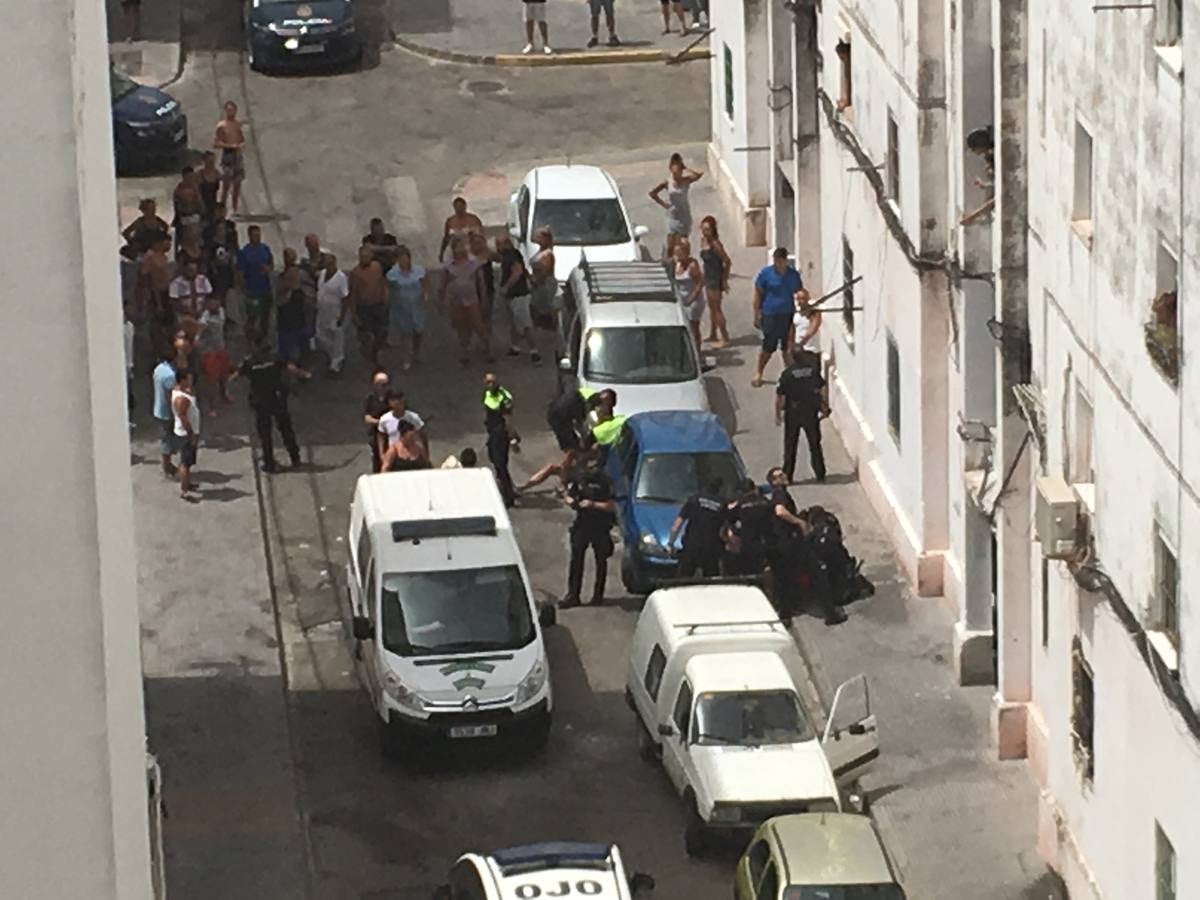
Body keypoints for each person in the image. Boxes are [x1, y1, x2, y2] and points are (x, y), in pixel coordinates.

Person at [230, 333, 311, 473]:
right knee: (286, 428)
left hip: (260, 400)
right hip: (277, 396)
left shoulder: (249, 361)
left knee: (265, 434)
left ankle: (269, 463)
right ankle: (295, 458)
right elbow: (291, 368)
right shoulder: (275, 357)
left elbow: (235, 375)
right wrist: (304, 374)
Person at [561, 450, 617, 608]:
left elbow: (612, 506)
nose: (590, 468)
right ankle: (573, 595)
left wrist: (593, 504)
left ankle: (598, 596)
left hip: (600, 526)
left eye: (593, 465)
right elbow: (569, 494)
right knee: (576, 560)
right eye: (588, 465)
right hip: (582, 524)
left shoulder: (606, 481)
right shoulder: (580, 478)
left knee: (601, 561)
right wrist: (570, 500)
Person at [521, 386, 600, 493]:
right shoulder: (580, 458)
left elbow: (565, 465)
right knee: (556, 466)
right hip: (575, 468)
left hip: (557, 415)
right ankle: (524, 487)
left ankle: (523, 487)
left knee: (556, 466)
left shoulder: (582, 462)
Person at [752, 247, 804, 387]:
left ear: (785, 260)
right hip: (770, 314)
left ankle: (790, 377)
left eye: (781, 261)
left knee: (788, 348)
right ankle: (759, 372)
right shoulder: (766, 274)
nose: (779, 264)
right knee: (768, 347)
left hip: (787, 315)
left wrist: (802, 298)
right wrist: (757, 313)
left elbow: (799, 290)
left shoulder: (793, 275)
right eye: (776, 261)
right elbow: (758, 292)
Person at [776, 348, 828, 483]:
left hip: (793, 412)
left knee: (790, 445)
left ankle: (788, 475)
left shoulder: (787, 374)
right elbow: (822, 387)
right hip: (810, 411)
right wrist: (824, 406)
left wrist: (777, 413)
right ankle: (820, 473)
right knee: (815, 444)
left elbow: (780, 395)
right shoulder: (812, 371)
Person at [440, 236, 490, 366]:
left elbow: (481, 283)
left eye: (463, 246)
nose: (461, 249)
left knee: (478, 324)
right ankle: (465, 352)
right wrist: (441, 300)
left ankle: (486, 348)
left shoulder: (474, 263)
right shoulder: (449, 266)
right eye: (458, 246)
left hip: (472, 299)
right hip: (455, 300)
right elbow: (443, 283)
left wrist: (484, 299)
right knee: (461, 327)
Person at [668, 477, 727, 578]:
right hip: (711, 549)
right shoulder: (722, 504)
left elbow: (677, 525)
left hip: (691, 547)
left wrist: (671, 543)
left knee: (683, 580)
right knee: (713, 583)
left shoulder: (694, 499)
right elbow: (724, 529)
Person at [649, 153, 703, 260]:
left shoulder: (686, 180)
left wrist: (687, 168)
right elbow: (652, 193)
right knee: (671, 244)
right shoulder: (667, 182)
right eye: (675, 169)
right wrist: (664, 204)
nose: (677, 172)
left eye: (679, 169)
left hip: (684, 215)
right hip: (673, 216)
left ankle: (684, 263)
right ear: (670, 169)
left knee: (684, 243)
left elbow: (699, 175)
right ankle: (669, 264)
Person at [497, 234, 539, 363]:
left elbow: (517, 272)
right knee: (515, 323)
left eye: (499, 244)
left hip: (518, 294)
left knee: (525, 323)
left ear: (506, 244)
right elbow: (523, 269)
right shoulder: (514, 254)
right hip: (515, 294)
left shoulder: (510, 256)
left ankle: (534, 351)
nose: (498, 247)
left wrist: (506, 287)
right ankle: (515, 347)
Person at [348, 244, 389, 367]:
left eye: (366, 256)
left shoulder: (377, 267)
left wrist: (385, 296)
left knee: (382, 331)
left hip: (379, 305)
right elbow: (353, 294)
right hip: (364, 308)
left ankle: (377, 352)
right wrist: (354, 313)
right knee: (367, 333)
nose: (364, 258)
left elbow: (382, 282)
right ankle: (369, 355)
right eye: (362, 257)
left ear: (371, 256)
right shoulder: (355, 273)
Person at [386, 246, 426, 370]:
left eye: (406, 258)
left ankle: (416, 354)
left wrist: (426, 296)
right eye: (401, 258)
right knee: (405, 334)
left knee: (418, 332)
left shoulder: (419, 270)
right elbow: (388, 288)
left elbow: (425, 284)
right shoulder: (392, 274)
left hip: (416, 305)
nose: (404, 261)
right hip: (401, 307)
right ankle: (406, 358)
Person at [482, 372, 519, 507]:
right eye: (488, 382)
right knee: (494, 459)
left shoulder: (504, 397)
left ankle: (508, 497)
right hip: (492, 433)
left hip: (501, 434)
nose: (490, 385)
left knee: (500, 463)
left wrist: (512, 438)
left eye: (493, 382)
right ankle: (506, 486)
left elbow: (508, 419)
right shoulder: (488, 394)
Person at [723, 478, 773, 576]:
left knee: (749, 572)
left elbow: (728, 517)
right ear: (754, 488)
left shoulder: (740, 505)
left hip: (749, 544)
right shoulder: (765, 501)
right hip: (767, 542)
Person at [197, 294, 232, 416]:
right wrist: (196, 338)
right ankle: (212, 406)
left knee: (223, 376)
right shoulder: (205, 318)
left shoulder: (221, 311)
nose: (216, 306)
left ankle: (224, 394)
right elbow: (200, 328)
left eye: (217, 303)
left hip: (221, 348)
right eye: (213, 304)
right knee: (212, 380)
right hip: (209, 352)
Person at [236, 225, 274, 337]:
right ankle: (250, 342)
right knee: (252, 317)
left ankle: (263, 338)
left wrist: (269, 269)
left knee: (265, 316)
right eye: (255, 235)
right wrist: (243, 290)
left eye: (259, 235)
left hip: (265, 289)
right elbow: (240, 273)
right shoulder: (244, 252)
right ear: (249, 236)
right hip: (252, 290)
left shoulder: (265, 249)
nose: (257, 237)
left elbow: (271, 263)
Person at [377, 391, 429, 471]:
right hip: (394, 453)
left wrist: (426, 452)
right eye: (396, 403)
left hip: (412, 450)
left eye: (401, 403)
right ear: (390, 403)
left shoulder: (413, 417)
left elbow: (423, 435)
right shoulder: (384, 419)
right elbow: (381, 437)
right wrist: (382, 454)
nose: (399, 406)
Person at [315, 252, 349, 374]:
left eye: (330, 263)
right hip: (322, 312)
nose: (328, 266)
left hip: (335, 312)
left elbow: (345, 298)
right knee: (320, 335)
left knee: (337, 337)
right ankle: (332, 354)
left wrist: (342, 316)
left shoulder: (341, 278)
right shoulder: (322, 274)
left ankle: (336, 362)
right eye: (326, 263)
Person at [699, 215, 731, 346]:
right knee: (711, 308)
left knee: (717, 309)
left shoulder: (715, 244)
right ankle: (713, 334)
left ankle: (725, 337)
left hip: (715, 278)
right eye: (703, 228)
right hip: (708, 277)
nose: (705, 231)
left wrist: (724, 280)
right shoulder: (704, 241)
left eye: (708, 229)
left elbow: (727, 261)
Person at [276, 249, 310, 364]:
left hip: (292, 308)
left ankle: (295, 358)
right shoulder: (290, 272)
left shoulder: (293, 272)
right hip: (288, 309)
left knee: (293, 335)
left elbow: (284, 288)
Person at [171, 369, 201, 499]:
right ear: (182, 380)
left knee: (188, 462)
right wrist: (191, 435)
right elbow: (183, 418)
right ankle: (184, 490)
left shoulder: (182, 392)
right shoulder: (181, 399)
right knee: (185, 463)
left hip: (188, 432)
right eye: (188, 378)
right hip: (186, 434)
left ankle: (187, 483)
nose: (191, 381)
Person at [214, 101, 246, 215]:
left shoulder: (237, 124)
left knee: (237, 184)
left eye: (233, 110)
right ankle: (222, 209)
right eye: (229, 110)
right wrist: (230, 146)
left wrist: (241, 145)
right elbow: (216, 143)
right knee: (226, 185)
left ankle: (234, 208)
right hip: (228, 155)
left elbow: (241, 139)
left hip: (237, 156)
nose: (231, 112)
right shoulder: (221, 126)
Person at [672, 238, 705, 350]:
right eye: (676, 253)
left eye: (680, 253)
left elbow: (700, 283)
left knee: (694, 329)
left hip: (693, 302)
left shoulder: (692, 265)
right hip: (682, 300)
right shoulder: (677, 264)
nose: (678, 256)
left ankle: (698, 353)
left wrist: (691, 299)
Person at [961, 126, 996, 226]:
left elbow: (1000, 196)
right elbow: (999, 185)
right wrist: (986, 185)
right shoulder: (990, 155)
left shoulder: (994, 157)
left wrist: (973, 217)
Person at [205, 203, 239, 303]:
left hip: (227, 273)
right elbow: (209, 259)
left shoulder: (229, 241)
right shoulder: (211, 243)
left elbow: (233, 254)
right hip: (216, 275)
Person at [152, 352, 179, 478]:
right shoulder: (170, 375)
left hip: (158, 409)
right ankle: (167, 466)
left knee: (165, 437)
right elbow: (170, 395)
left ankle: (167, 464)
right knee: (167, 439)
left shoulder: (158, 369)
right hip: (167, 412)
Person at [528, 227, 558, 333]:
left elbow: (544, 271)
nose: (538, 239)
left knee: (544, 306)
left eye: (541, 237)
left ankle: (550, 327)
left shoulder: (548, 255)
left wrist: (536, 280)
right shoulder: (540, 251)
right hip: (537, 283)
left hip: (545, 284)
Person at [362, 369, 391, 473]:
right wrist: (380, 422)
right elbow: (367, 417)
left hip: (391, 435)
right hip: (375, 434)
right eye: (381, 385)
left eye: (386, 384)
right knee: (377, 460)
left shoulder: (392, 397)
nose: (384, 387)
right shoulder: (370, 398)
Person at [439, 197, 484, 261]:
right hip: (455, 251)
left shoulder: (473, 219)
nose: (459, 209)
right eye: (456, 207)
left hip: (471, 249)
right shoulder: (450, 221)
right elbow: (446, 238)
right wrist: (441, 253)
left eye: (460, 206)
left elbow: (481, 236)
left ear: (465, 206)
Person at [168, 260, 212, 325]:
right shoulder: (176, 283)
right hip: (183, 313)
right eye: (190, 270)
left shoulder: (203, 279)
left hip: (201, 311)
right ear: (184, 269)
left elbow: (209, 297)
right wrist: (188, 311)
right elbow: (174, 303)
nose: (192, 273)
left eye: (194, 270)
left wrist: (202, 309)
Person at [469, 232, 497, 332]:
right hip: (471, 290)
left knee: (486, 314)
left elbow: (500, 259)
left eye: (480, 243)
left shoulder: (487, 254)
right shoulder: (468, 257)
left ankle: (486, 339)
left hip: (488, 288)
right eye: (476, 243)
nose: (478, 245)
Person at [172, 166, 204, 251]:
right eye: (188, 177)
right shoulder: (179, 190)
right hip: (184, 216)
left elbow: (200, 203)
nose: (190, 179)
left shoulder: (195, 188)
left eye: (192, 177)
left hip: (194, 215)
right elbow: (177, 206)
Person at [790, 287, 821, 352]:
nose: (800, 301)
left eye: (802, 299)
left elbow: (813, 328)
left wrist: (802, 343)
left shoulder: (814, 312)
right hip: (797, 349)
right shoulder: (796, 313)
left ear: (807, 299)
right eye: (798, 299)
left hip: (810, 349)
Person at [197, 151, 222, 223]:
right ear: (205, 161)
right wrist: (200, 205)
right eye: (209, 161)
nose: (212, 163)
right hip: (202, 204)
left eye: (213, 161)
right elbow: (197, 191)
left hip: (213, 204)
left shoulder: (217, 174)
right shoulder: (199, 174)